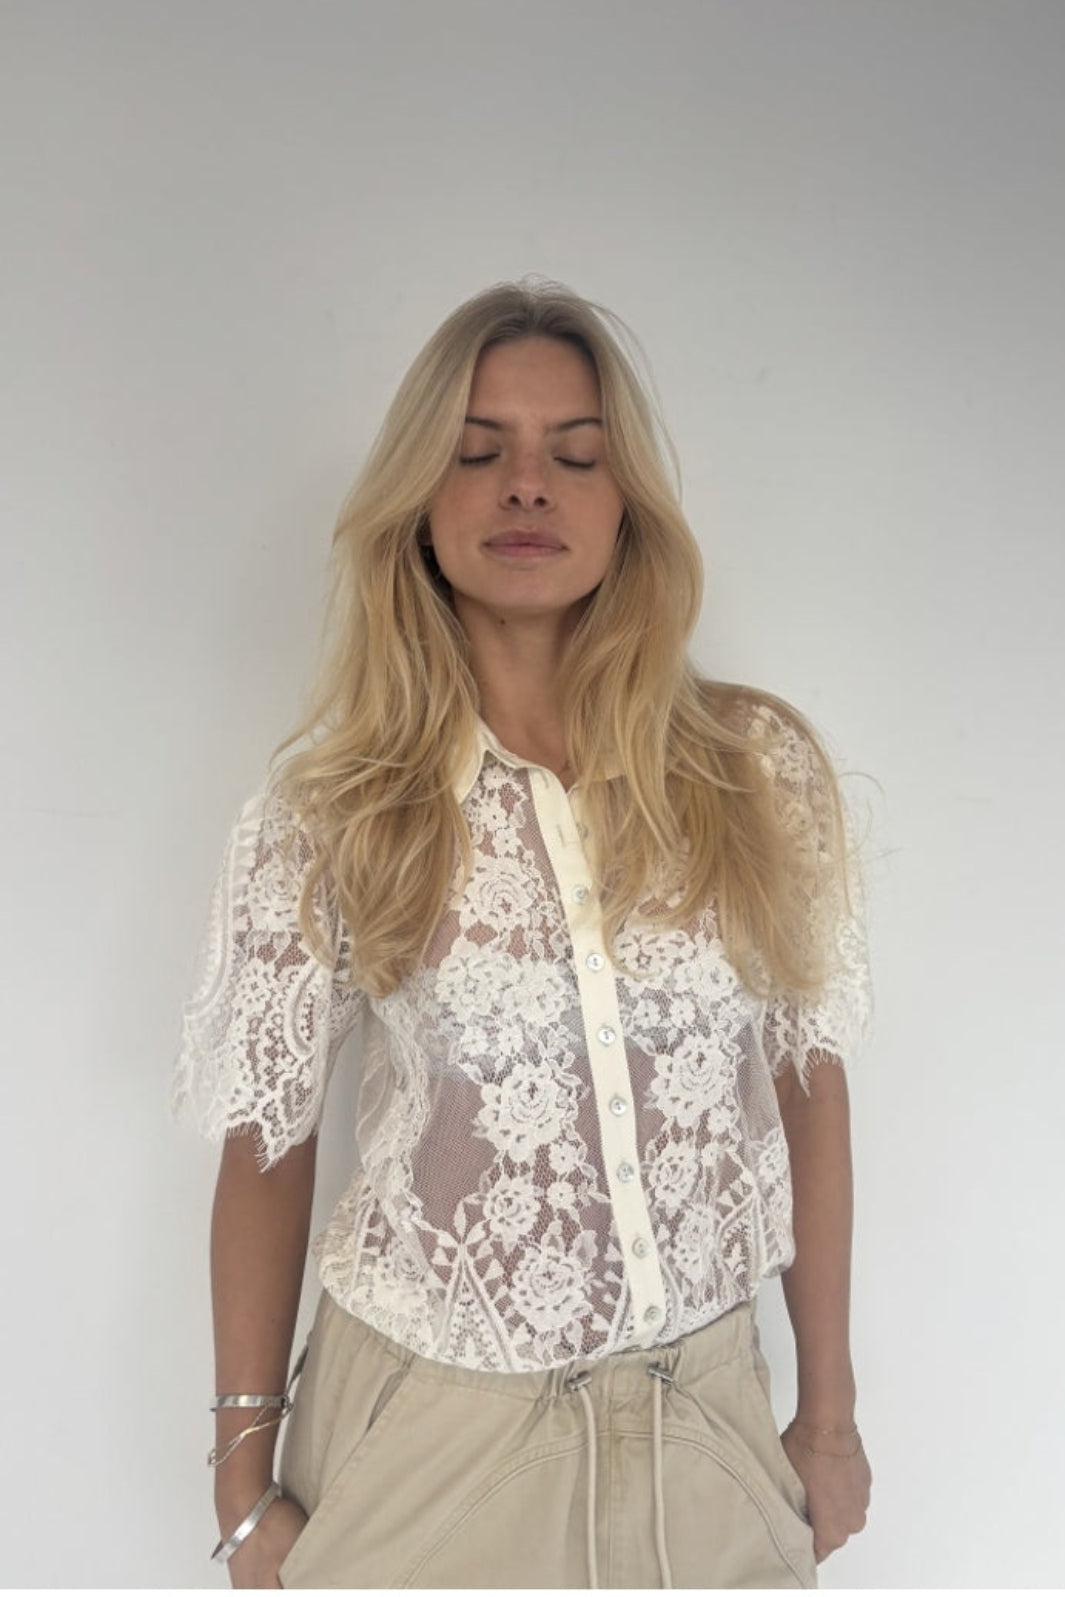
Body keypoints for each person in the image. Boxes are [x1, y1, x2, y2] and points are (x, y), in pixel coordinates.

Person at [172, 277, 873, 1589]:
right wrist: (240, 1471)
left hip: (707, 1428)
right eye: (476, 450)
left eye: (576, 454)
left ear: (627, 502)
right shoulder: (333, 812)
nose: (527, 486)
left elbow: (808, 1085)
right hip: (431, 1440)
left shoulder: (752, 772)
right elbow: (267, 1145)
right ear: (418, 499)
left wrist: (827, 1415)